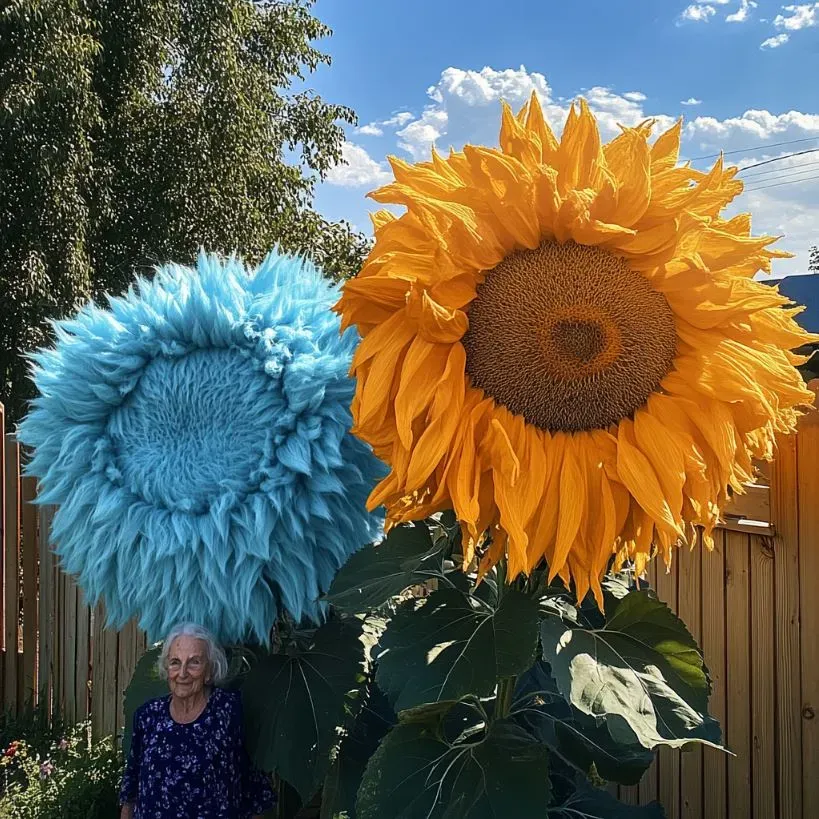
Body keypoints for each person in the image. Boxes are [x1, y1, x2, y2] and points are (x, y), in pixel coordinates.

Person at [119, 623, 275, 818]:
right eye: (175, 662)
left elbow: (255, 790)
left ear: (209, 671)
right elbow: (131, 788)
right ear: (166, 668)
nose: (183, 673)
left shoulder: (230, 711)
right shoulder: (148, 716)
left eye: (194, 662)